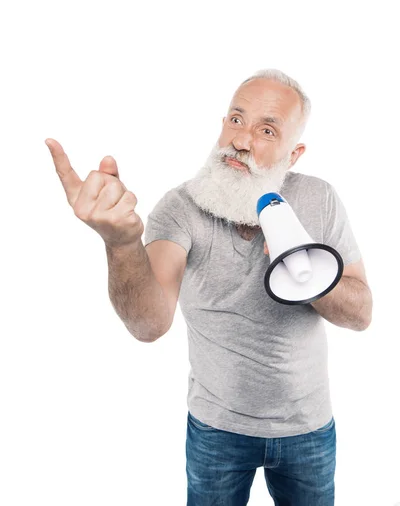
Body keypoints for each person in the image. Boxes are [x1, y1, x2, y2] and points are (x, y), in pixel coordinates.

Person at [45, 68, 373, 506]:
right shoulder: (179, 208)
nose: (241, 140)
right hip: (217, 432)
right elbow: (149, 324)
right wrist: (121, 243)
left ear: (293, 154)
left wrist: (305, 270)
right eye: (236, 120)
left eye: (266, 129)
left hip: (308, 429)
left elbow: (363, 312)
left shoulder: (320, 199)